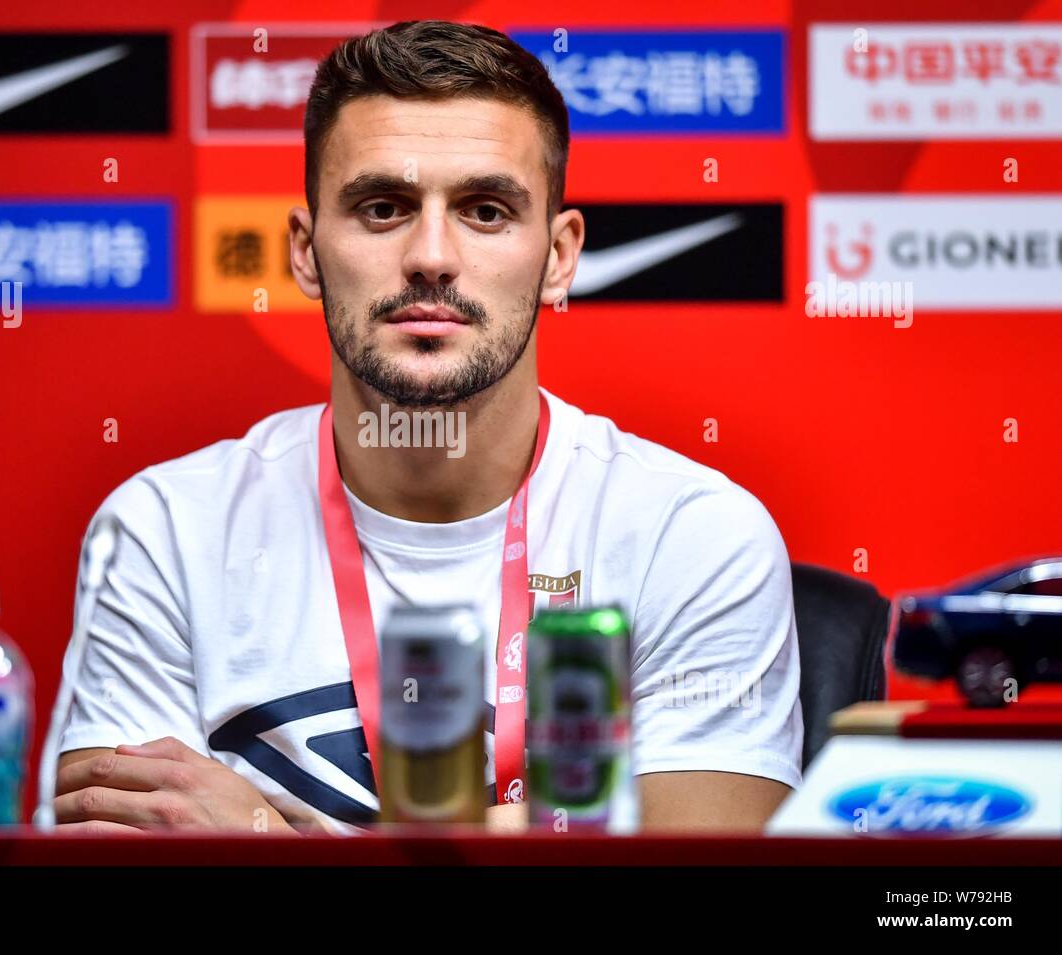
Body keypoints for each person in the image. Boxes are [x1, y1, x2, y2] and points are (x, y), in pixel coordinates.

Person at [54, 20, 802, 835]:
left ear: (559, 255)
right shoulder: (164, 530)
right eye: (383, 207)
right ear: (305, 251)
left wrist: (267, 840)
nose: (431, 256)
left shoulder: (691, 535)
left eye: (485, 210)